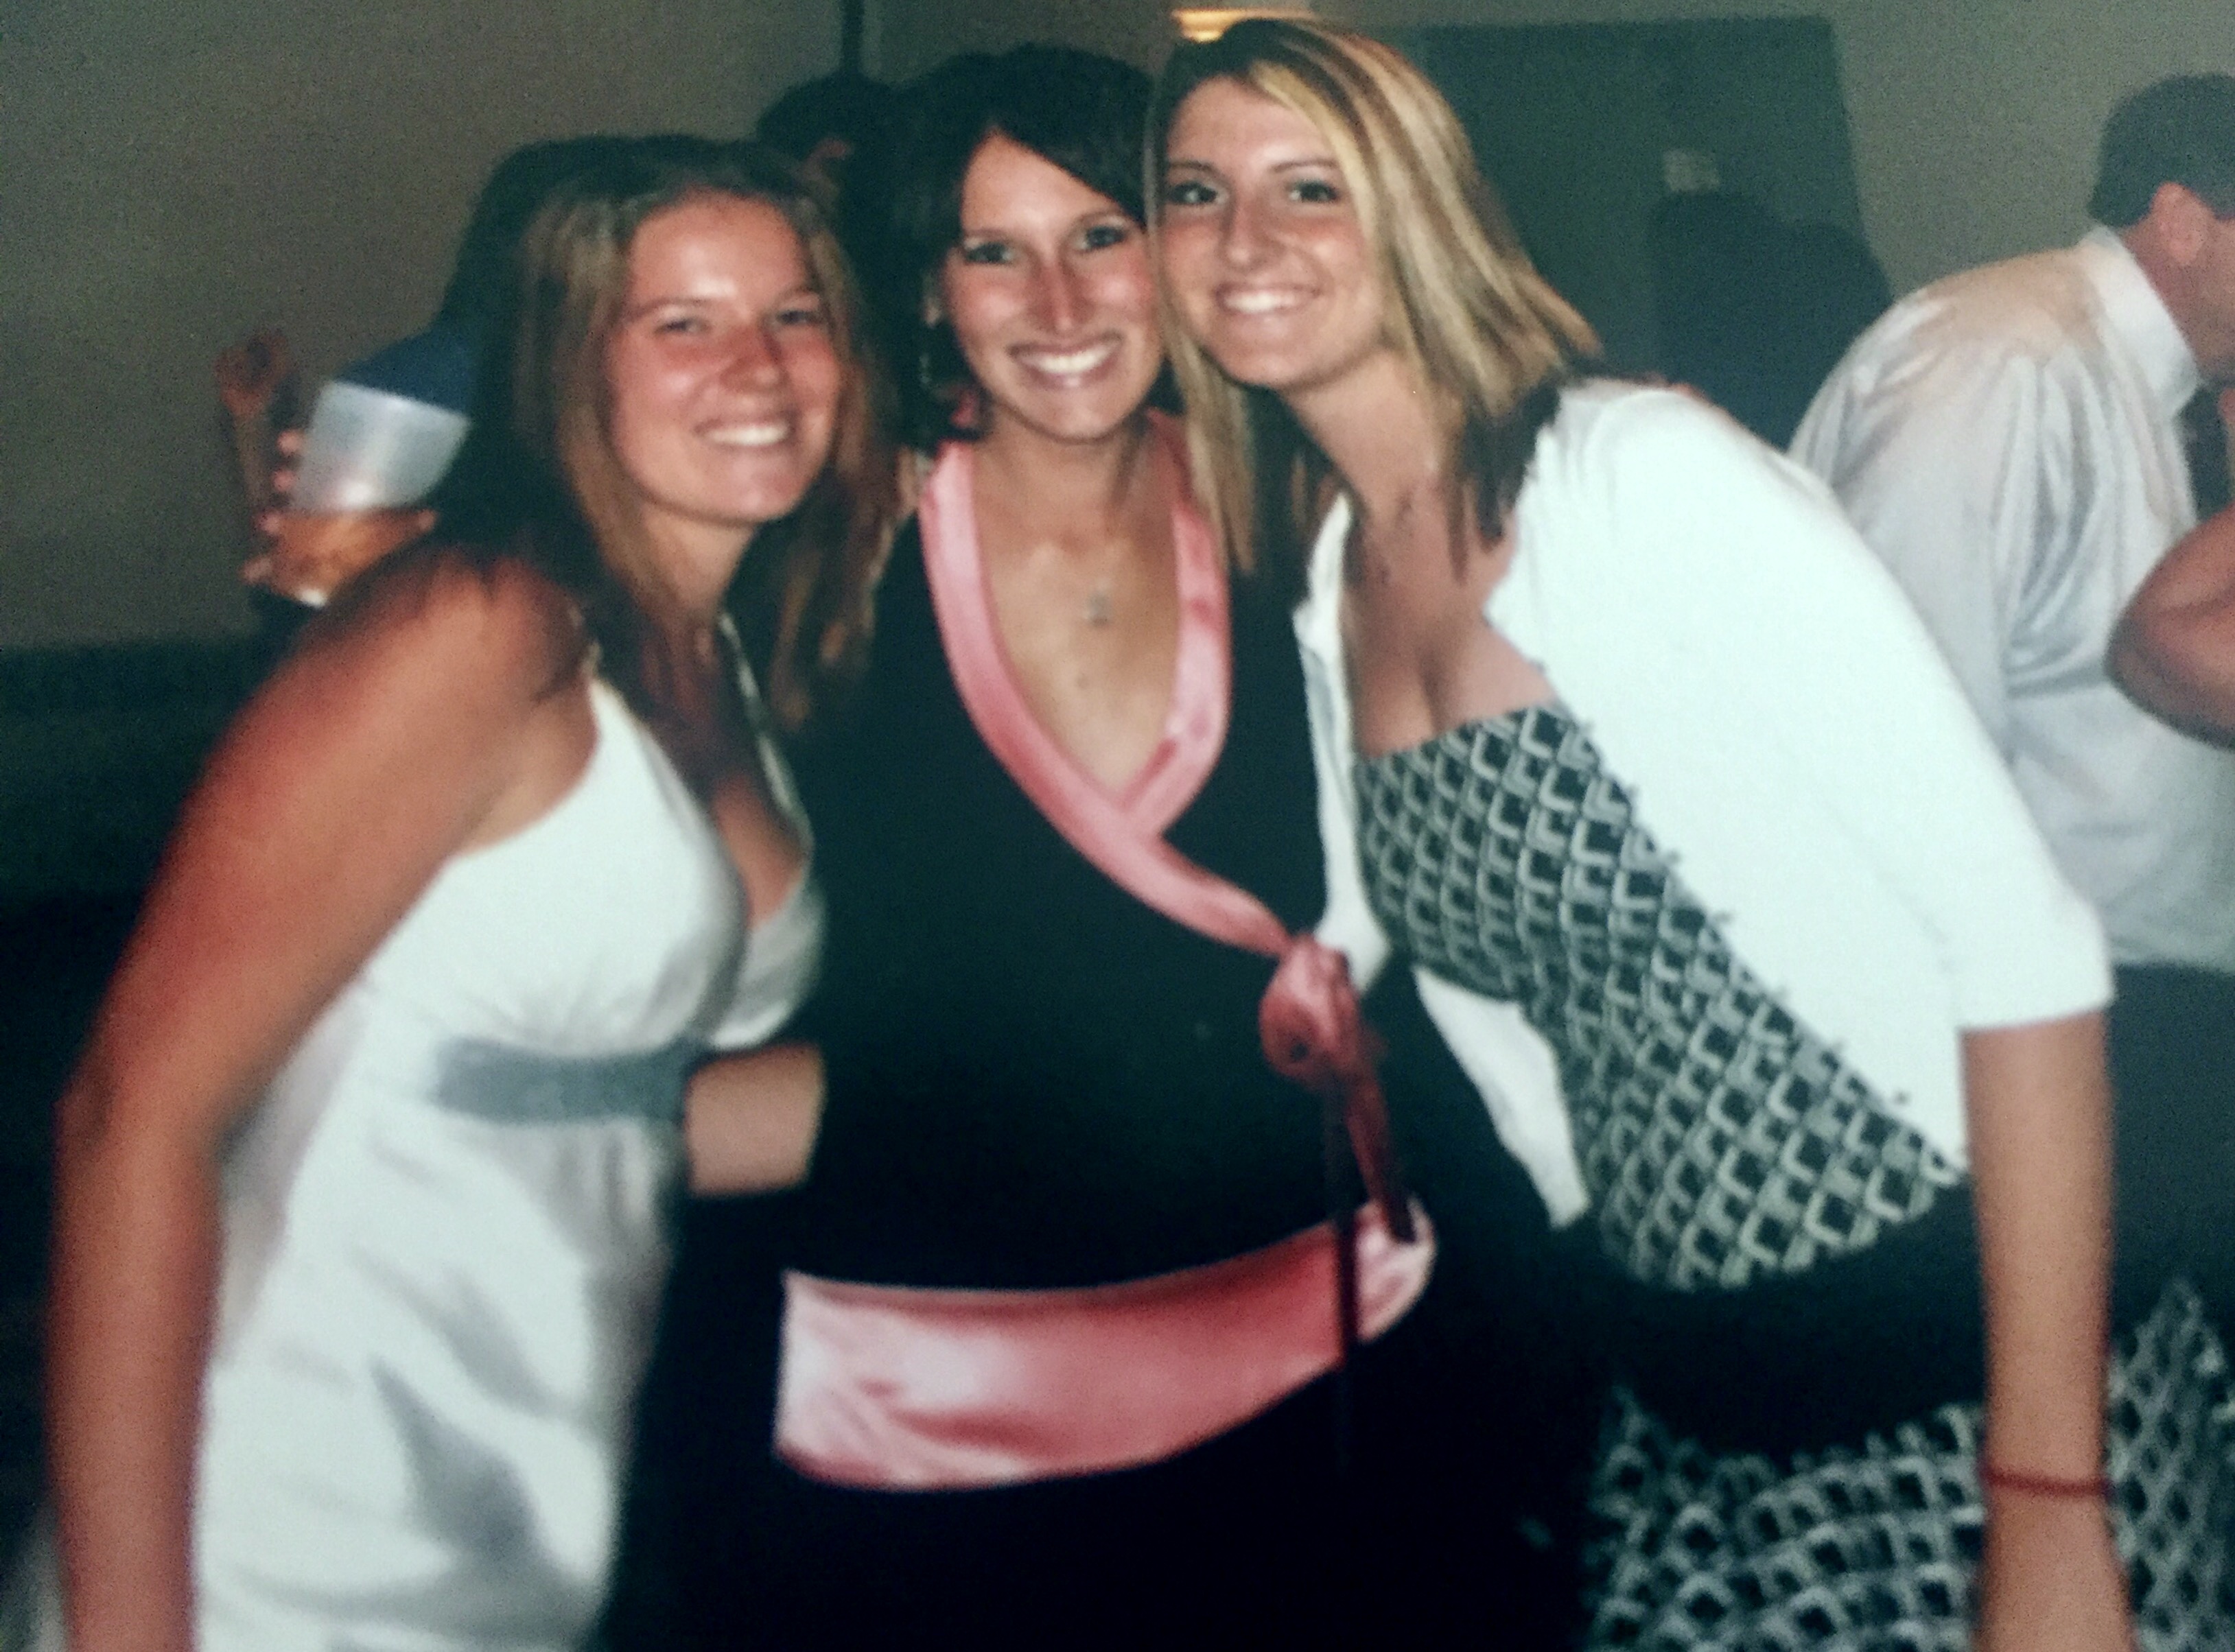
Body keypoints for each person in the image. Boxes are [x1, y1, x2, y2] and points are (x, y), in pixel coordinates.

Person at [1150, 18, 2234, 1650]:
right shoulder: (1338, 574)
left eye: (1309, 186)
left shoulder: (1637, 479)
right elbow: (1403, 916)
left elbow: (2024, 955)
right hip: (1694, 1395)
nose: (1246, 239)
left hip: (1956, 1369)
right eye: (1195, 192)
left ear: (1421, 209)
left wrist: (2047, 1500)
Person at [656, 43, 1584, 1646]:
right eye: (993, 250)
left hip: (1333, 1368)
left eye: (1102, 234)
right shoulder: (822, 548)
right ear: (928, 288)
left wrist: (1603, 445)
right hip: (944, 1424)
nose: (1061, 301)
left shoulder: (1298, 514)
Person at [23, 137, 891, 1651]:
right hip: (283, 1488)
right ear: (567, 362)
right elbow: (131, 1120)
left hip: (521, 1491)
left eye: (794, 315)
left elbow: (614, 1114)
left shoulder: (714, 656)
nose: (757, 367)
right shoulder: (477, 626)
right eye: (681, 322)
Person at [1790, 86, 2235, 1317]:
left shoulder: (2142, 384)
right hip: (2057, 1021)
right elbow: (1889, 731)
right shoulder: (1998, 363)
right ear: (2183, 221)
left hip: (2141, 1012)